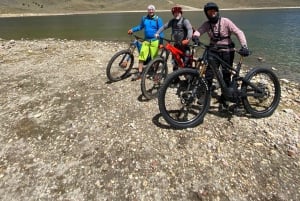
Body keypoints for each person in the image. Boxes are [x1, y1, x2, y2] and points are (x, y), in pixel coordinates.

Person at [193, 2, 250, 110]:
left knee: (226, 74)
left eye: (214, 10)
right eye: (209, 11)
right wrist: (195, 36)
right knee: (209, 73)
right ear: (206, 13)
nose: (212, 12)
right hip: (213, 51)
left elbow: (238, 32)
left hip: (227, 51)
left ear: (217, 11)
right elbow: (199, 31)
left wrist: (244, 46)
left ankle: (225, 97)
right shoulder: (207, 24)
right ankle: (207, 94)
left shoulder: (226, 21)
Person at [127, 4, 164, 81]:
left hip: (155, 41)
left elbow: (161, 31)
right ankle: (140, 73)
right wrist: (132, 30)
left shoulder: (158, 19)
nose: (151, 11)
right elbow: (140, 27)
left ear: (154, 10)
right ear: (147, 10)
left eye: (152, 9)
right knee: (142, 56)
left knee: (154, 58)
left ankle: (155, 73)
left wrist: (161, 43)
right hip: (146, 41)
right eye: (149, 9)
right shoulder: (144, 18)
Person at [155, 5, 193, 70]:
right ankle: (175, 78)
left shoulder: (185, 21)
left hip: (184, 46)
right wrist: (157, 33)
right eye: (175, 13)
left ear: (181, 13)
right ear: (173, 14)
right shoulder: (172, 21)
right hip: (176, 45)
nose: (176, 14)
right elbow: (164, 27)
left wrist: (188, 39)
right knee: (175, 62)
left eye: (178, 12)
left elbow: (190, 29)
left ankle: (188, 78)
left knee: (186, 63)